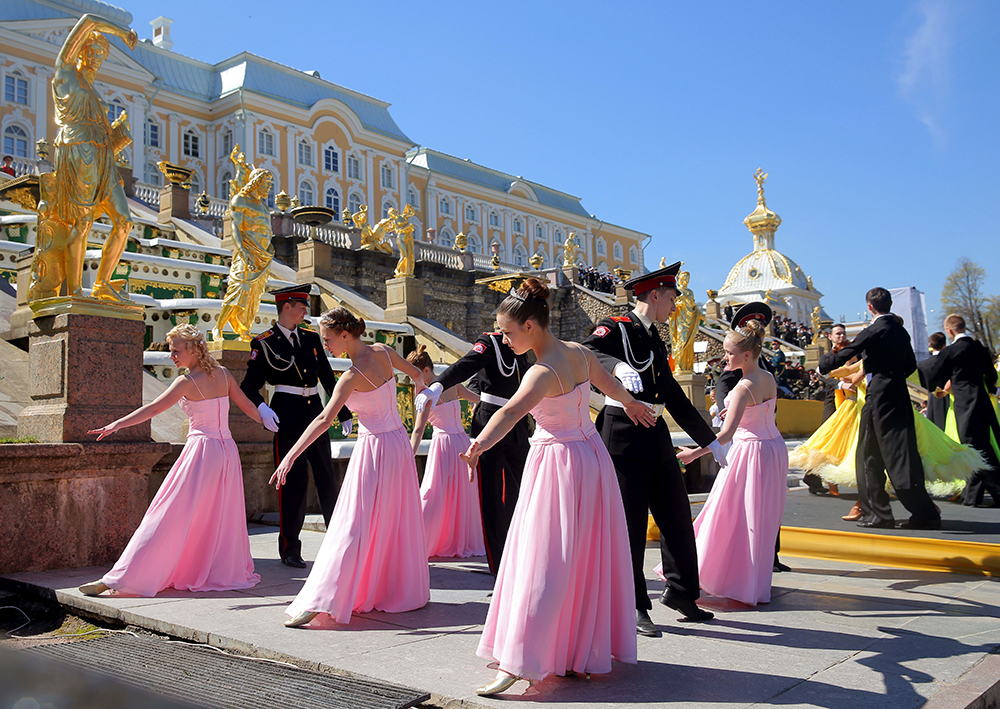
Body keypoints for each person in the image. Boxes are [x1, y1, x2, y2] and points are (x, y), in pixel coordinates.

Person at [461, 279, 651, 696]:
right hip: (591, 459)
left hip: (558, 464)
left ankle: (522, 659)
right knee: (582, 556)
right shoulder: (580, 353)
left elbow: (509, 413)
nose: (503, 339)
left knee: (542, 559)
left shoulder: (538, 373)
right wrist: (633, 404)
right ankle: (575, 651)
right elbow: (609, 386)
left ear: (530, 326)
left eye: (507, 332)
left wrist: (476, 445)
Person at [584, 262, 727, 636]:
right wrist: (615, 368)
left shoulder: (654, 337)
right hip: (624, 435)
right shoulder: (616, 328)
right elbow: (586, 354)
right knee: (630, 525)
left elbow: (675, 396)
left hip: (656, 434)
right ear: (654, 295)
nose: (675, 306)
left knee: (677, 517)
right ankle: (633, 604)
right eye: (671, 298)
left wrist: (709, 440)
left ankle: (681, 593)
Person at [79, 325, 269, 597]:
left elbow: (154, 408)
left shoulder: (185, 382)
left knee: (166, 512)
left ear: (193, 350)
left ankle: (120, 577)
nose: (172, 357)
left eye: (176, 351)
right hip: (227, 451)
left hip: (201, 451)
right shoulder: (224, 375)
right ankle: (197, 569)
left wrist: (117, 424)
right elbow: (249, 407)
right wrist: (267, 420)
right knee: (217, 516)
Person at [278, 308, 429, 628]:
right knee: (394, 518)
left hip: (375, 450)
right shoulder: (385, 352)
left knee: (352, 523)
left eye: (328, 338)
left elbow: (322, 420)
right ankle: (392, 590)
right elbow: (418, 375)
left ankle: (323, 598)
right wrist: (419, 403)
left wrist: (291, 454)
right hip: (398, 444)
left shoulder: (351, 376)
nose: (325, 344)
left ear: (345, 335)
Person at [240, 285, 353, 569]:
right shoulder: (264, 342)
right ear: (286, 307)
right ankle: (290, 548)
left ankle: (339, 540)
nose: (305, 311)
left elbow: (328, 377)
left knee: (327, 475)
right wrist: (262, 407)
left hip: (314, 410)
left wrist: (343, 412)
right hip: (286, 413)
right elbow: (249, 385)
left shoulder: (311, 338)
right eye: (301, 306)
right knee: (293, 480)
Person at [678, 319, 787, 605]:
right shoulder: (769, 378)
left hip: (750, 453)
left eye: (729, 353)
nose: (725, 357)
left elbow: (725, 435)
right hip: (773, 448)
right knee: (759, 518)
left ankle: (715, 575)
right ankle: (753, 585)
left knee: (727, 514)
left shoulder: (741, 388)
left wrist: (693, 454)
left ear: (747, 354)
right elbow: (762, 413)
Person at [415, 317, 531, 574]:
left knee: (519, 490)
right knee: (492, 496)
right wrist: (438, 384)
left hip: (518, 421)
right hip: (490, 419)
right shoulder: (490, 343)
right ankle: (500, 565)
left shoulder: (526, 346)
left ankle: (521, 553)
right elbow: (465, 366)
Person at [819, 288, 942, 530]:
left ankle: (878, 513)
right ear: (889, 304)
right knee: (903, 454)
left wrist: (824, 362)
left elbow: (845, 354)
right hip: (898, 395)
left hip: (878, 400)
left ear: (870, 307)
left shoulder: (873, 331)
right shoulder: (900, 330)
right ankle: (924, 512)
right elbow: (909, 365)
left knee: (868, 456)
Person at [408, 345, 485, 558]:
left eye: (414, 374)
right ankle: (458, 540)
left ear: (424, 370)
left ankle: (419, 540)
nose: (413, 379)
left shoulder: (426, 393)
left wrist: (408, 457)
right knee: (461, 495)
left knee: (434, 493)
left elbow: (418, 430)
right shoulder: (455, 385)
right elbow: (479, 401)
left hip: (442, 445)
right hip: (461, 442)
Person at [929, 314, 1000, 507]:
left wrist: (939, 387)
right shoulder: (980, 348)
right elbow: (992, 376)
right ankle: (972, 496)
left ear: (949, 331)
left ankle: (997, 491)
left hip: (964, 404)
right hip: (982, 401)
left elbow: (933, 375)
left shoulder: (951, 351)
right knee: (977, 446)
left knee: (975, 448)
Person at [917, 332, 950, 431]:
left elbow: (923, 385)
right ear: (944, 344)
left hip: (933, 401)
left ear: (930, 345)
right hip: (951, 397)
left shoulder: (922, 365)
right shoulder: (950, 361)